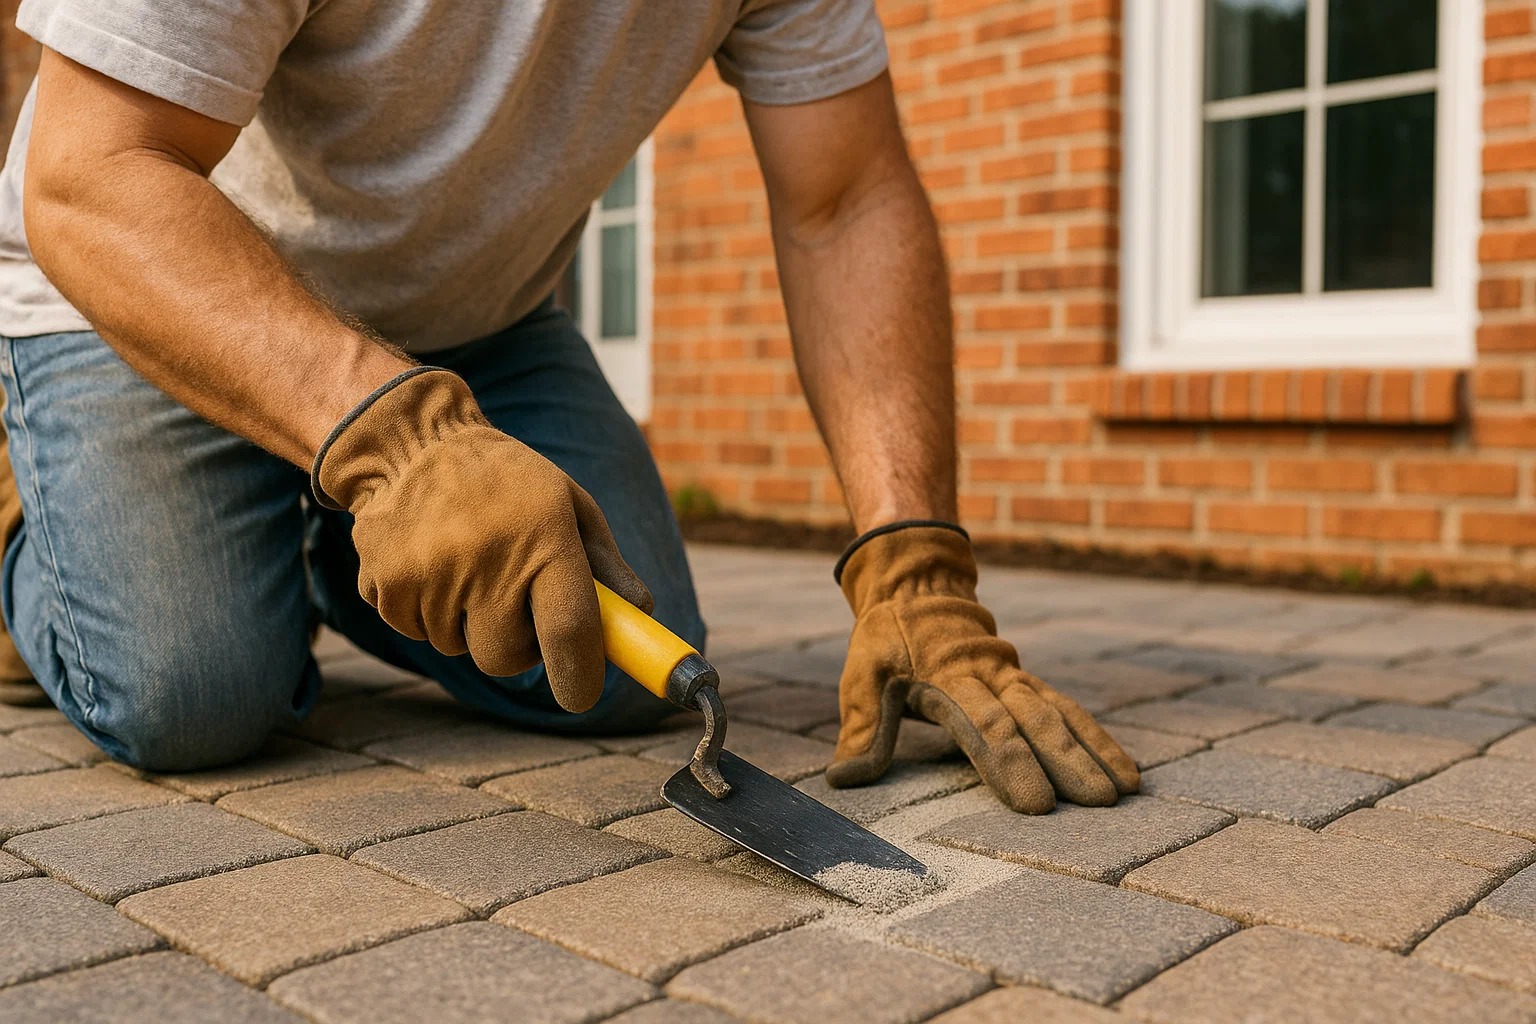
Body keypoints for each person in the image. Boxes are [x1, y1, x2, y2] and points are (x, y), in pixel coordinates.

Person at [0, 0, 1138, 814]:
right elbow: (93, 173)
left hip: (477, 320)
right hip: (153, 291)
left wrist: (915, 572)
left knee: (616, 666)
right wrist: (404, 447)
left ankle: (323, 534)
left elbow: (844, 197)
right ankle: (28, 526)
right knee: (190, 698)